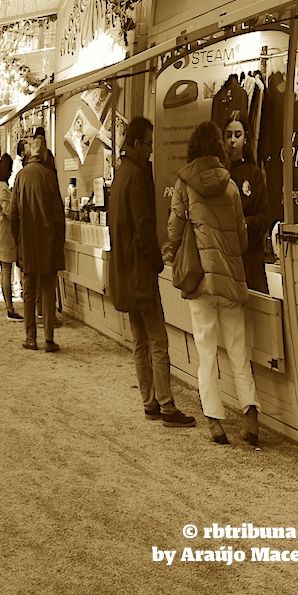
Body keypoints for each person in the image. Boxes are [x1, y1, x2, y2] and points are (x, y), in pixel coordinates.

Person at [167, 120, 260, 446]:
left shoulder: (184, 186)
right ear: (218, 147)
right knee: (238, 351)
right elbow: (242, 239)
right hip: (230, 281)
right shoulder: (231, 186)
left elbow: (174, 232)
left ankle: (215, 423)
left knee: (206, 353)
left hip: (201, 282)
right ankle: (251, 418)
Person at [109, 117, 195, 428]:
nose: (150, 149)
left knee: (139, 341)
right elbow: (144, 227)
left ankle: (149, 402)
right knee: (158, 339)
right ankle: (167, 405)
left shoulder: (121, 174)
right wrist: (157, 262)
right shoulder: (136, 176)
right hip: (140, 271)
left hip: (124, 269)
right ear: (135, 144)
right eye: (147, 143)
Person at [9, 136, 65, 351]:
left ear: (30, 153)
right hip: (47, 243)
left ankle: (30, 337)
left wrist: (18, 239)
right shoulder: (49, 176)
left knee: (29, 291)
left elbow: (14, 214)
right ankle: (49, 338)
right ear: (43, 153)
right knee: (48, 290)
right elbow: (58, 215)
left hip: (27, 243)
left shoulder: (21, 177)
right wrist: (59, 242)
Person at [224, 111, 271, 294]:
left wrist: (244, 225)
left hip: (250, 259)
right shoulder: (217, 174)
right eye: (228, 135)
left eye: (237, 135)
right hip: (225, 258)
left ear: (245, 138)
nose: (232, 141)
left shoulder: (254, 174)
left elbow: (264, 218)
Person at [0, 153, 22, 320]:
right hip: (4, 234)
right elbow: (9, 212)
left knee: (2, 269)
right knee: (6, 272)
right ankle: (10, 309)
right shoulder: (3, 188)